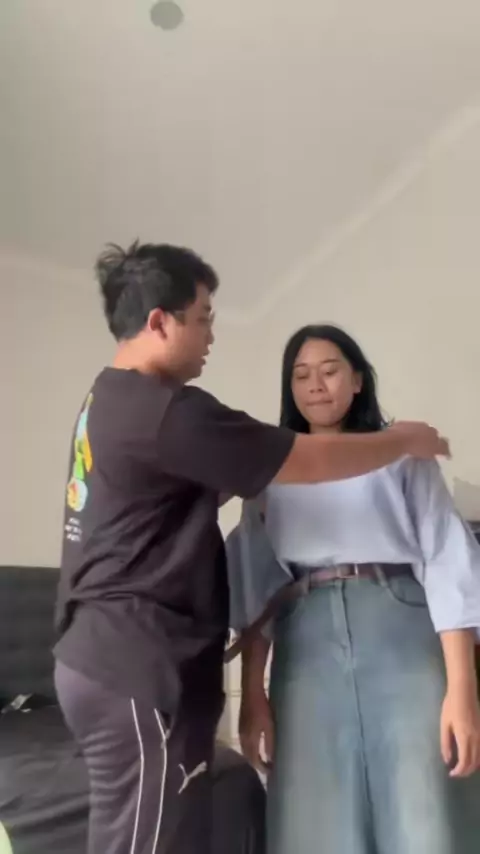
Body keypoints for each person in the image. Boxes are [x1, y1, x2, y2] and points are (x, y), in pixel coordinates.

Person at [53, 245, 448, 854]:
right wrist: (400, 441)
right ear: (160, 322)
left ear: (357, 378)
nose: (212, 335)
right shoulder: (165, 412)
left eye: (331, 370)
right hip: (136, 662)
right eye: (203, 317)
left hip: (106, 657)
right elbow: (302, 461)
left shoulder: (109, 401)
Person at [226, 324, 480, 854]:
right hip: (306, 642)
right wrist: (253, 696)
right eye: (301, 375)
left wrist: (463, 688)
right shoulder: (270, 470)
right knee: (313, 812)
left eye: (330, 370)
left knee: (423, 801)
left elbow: (446, 559)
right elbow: (256, 586)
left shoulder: (402, 453)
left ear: (358, 380)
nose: (315, 385)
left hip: (401, 629)